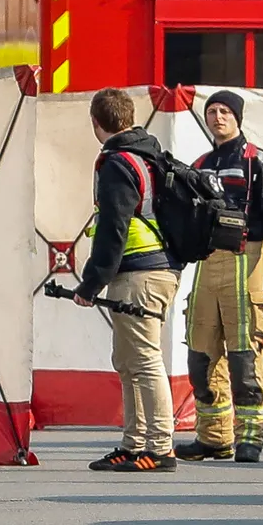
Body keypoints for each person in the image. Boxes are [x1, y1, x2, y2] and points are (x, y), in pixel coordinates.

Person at [174, 90, 263, 464]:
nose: (218, 117)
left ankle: (251, 437)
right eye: (211, 111)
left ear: (238, 117)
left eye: (225, 111)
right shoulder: (201, 163)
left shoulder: (260, 162)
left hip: (249, 260)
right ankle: (213, 438)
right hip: (208, 264)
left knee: (245, 358)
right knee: (201, 356)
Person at [76, 87, 184, 472]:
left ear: (96, 123)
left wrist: (91, 284)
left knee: (144, 360)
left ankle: (159, 446)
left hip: (140, 271)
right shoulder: (148, 155)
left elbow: (113, 228)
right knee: (127, 360)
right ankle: (134, 443)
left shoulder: (118, 163)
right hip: (155, 269)